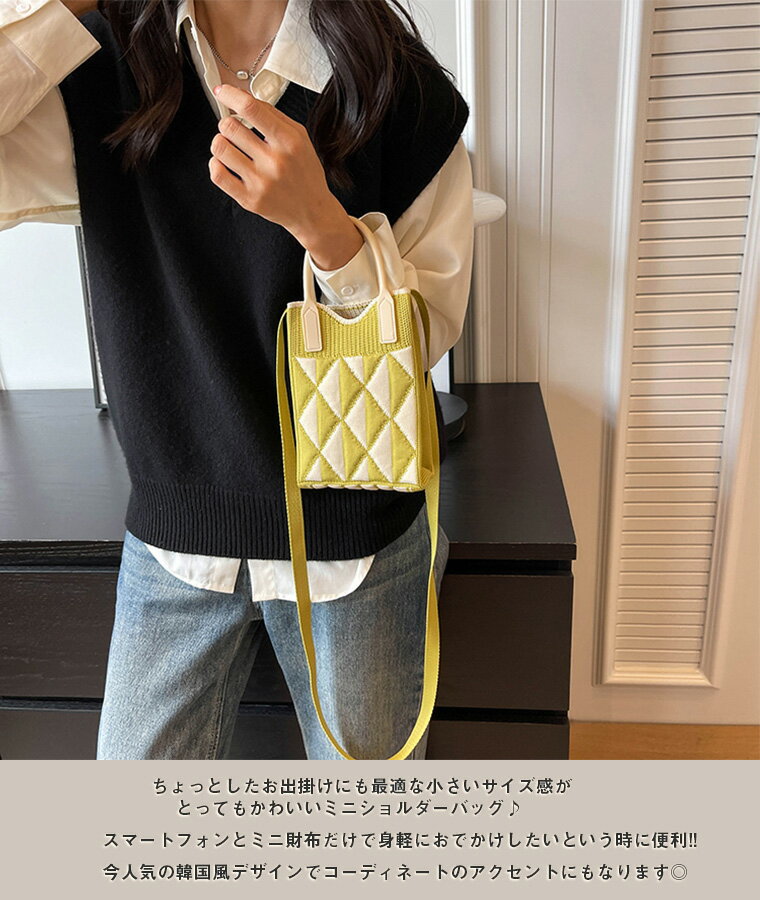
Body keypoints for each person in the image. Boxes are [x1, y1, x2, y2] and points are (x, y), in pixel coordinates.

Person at [0, 0, 474, 760]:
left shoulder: (398, 85)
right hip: (177, 535)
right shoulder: (98, 62)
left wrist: (324, 226)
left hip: (355, 544)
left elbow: (425, 337)